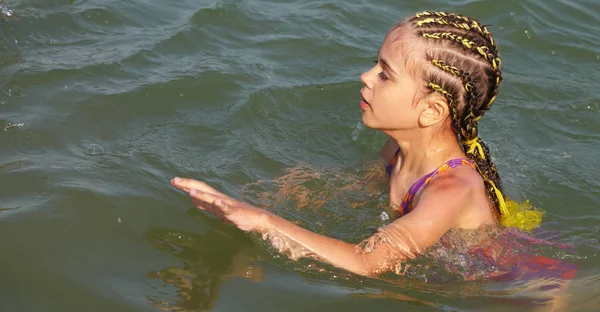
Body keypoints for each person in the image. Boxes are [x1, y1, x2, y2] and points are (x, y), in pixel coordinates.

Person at [171, 11, 546, 278]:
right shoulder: (397, 150)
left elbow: (368, 264)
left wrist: (262, 220)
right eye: (374, 64)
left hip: (523, 288)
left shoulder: (452, 189)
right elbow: (358, 188)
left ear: (431, 111)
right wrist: (275, 195)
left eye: (385, 74)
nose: (365, 77)